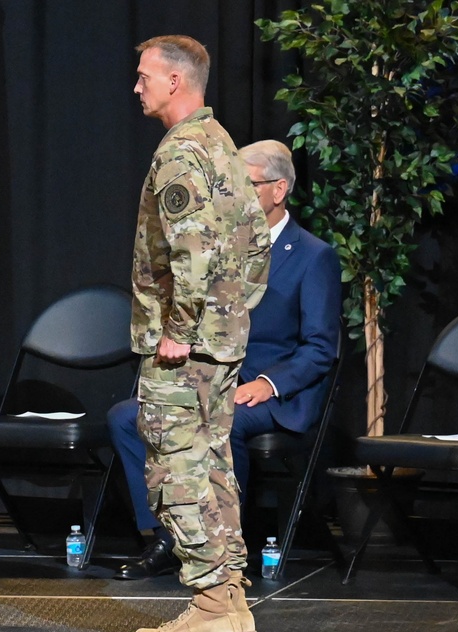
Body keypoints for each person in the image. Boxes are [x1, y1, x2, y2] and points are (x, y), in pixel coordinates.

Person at [111, 139, 342, 583]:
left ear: (278, 190)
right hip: (210, 376)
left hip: (270, 392)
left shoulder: (314, 256)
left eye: (245, 185)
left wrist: (270, 383)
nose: (231, 196)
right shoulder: (217, 248)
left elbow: (319, 348)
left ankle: (222, 547)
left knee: (223, 422)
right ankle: (165, 537)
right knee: (128, 416)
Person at [127, 36, 270, 632]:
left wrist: (181, 331)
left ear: (176, 83)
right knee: (212, 467)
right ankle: (230, 602)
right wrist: (232, 314)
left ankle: (211, 602)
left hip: (185, 348)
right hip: (223, 341)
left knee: (175, 470)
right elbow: (257, 245)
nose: (137, 87)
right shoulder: (225, 148)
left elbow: (192, 253)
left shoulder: (182, 154)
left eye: (144, 77)